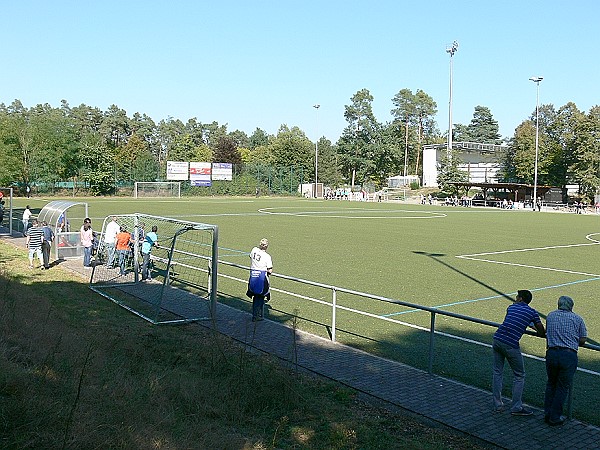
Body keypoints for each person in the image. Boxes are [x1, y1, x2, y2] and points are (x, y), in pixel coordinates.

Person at [492, 289, 545, 415]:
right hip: (510, 344)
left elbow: (514, 319)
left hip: (497, 339)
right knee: (519, 375)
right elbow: (541, 330)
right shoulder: (532, 312)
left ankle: (498, 405)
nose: (515, 298)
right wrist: (536, 328)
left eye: (517, 296)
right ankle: (516, 407)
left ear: (520, 299)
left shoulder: (511, 307)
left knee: (497, 372)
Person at [544, 296, 587, 426]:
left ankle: (547, 413)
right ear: (571, 306)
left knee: (551, 384)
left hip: (551, 353)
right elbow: (583, 340)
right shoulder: (578, 319)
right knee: (562, 387)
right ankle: (555, 417)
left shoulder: (550, 316)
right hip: (568, 355)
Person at [246, 238, 273, 322]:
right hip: (261, 278)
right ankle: (257, 315)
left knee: (255, 296)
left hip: (253, 276)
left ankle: (257, 315)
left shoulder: (254, 249)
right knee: (260, 296)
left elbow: (250, 256)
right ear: (266, 246)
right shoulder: (267, 256)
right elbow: (270, 269)